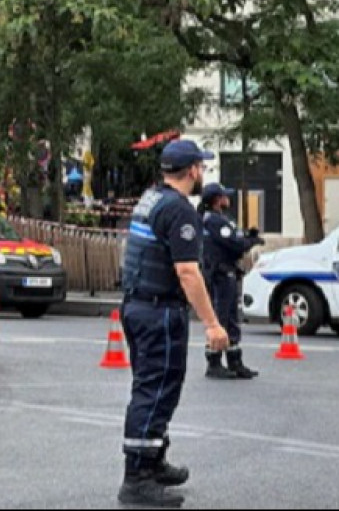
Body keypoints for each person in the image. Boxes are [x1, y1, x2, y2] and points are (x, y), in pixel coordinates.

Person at [119, 140, 230, 508]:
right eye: (203, 166)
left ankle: (152, 460)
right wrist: (212, 324)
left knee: (151, 387)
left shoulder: (150, 198)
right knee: (156, 391)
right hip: (158, 311)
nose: (204, 173)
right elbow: (187, 271)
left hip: (137, 304)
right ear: (194, 170)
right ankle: (137, 479)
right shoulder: (180, 211)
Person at [200, 183, 265, 380]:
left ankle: (235, 361)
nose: (228, 199)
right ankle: (214, 362)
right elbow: (234, 245)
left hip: (226, 274)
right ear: (217, 200)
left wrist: (247, 235)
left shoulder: (219, 220)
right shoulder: (215, 221)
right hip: (220, 275)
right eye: (224, 196)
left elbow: (234, 237)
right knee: (221, 318)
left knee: (231, 319)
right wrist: (251, 242)